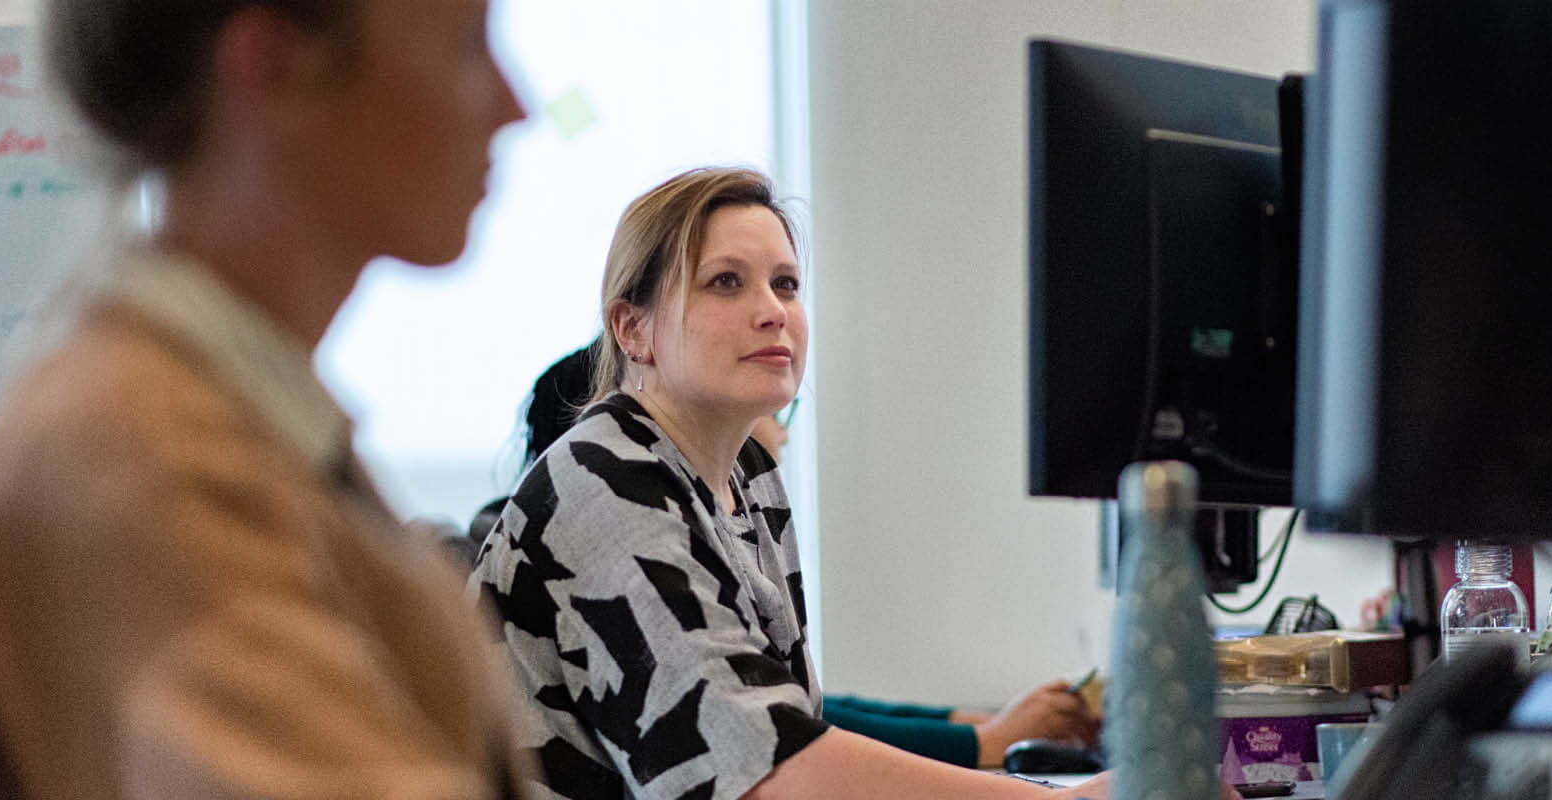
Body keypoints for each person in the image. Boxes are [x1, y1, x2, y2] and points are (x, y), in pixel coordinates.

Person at [469, 167, 1240, 800]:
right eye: (726, 283)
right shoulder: (601, 477)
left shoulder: (749, 479)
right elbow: (762, 772)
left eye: (786, 284)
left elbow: (788, 731)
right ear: (632, 328)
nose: (773, 312)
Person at [0, 0, 530, 797]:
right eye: (466, 47)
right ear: (273, 64)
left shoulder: (225, 404)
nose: (514, 106)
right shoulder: (142, 451)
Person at [475, 338, 1098, 769]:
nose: (782, 425)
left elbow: (794, 703)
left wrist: (966, 723)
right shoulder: (609, 505)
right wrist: (985, 743)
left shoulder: (736, 494)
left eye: (786, 284)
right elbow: (758, 745)